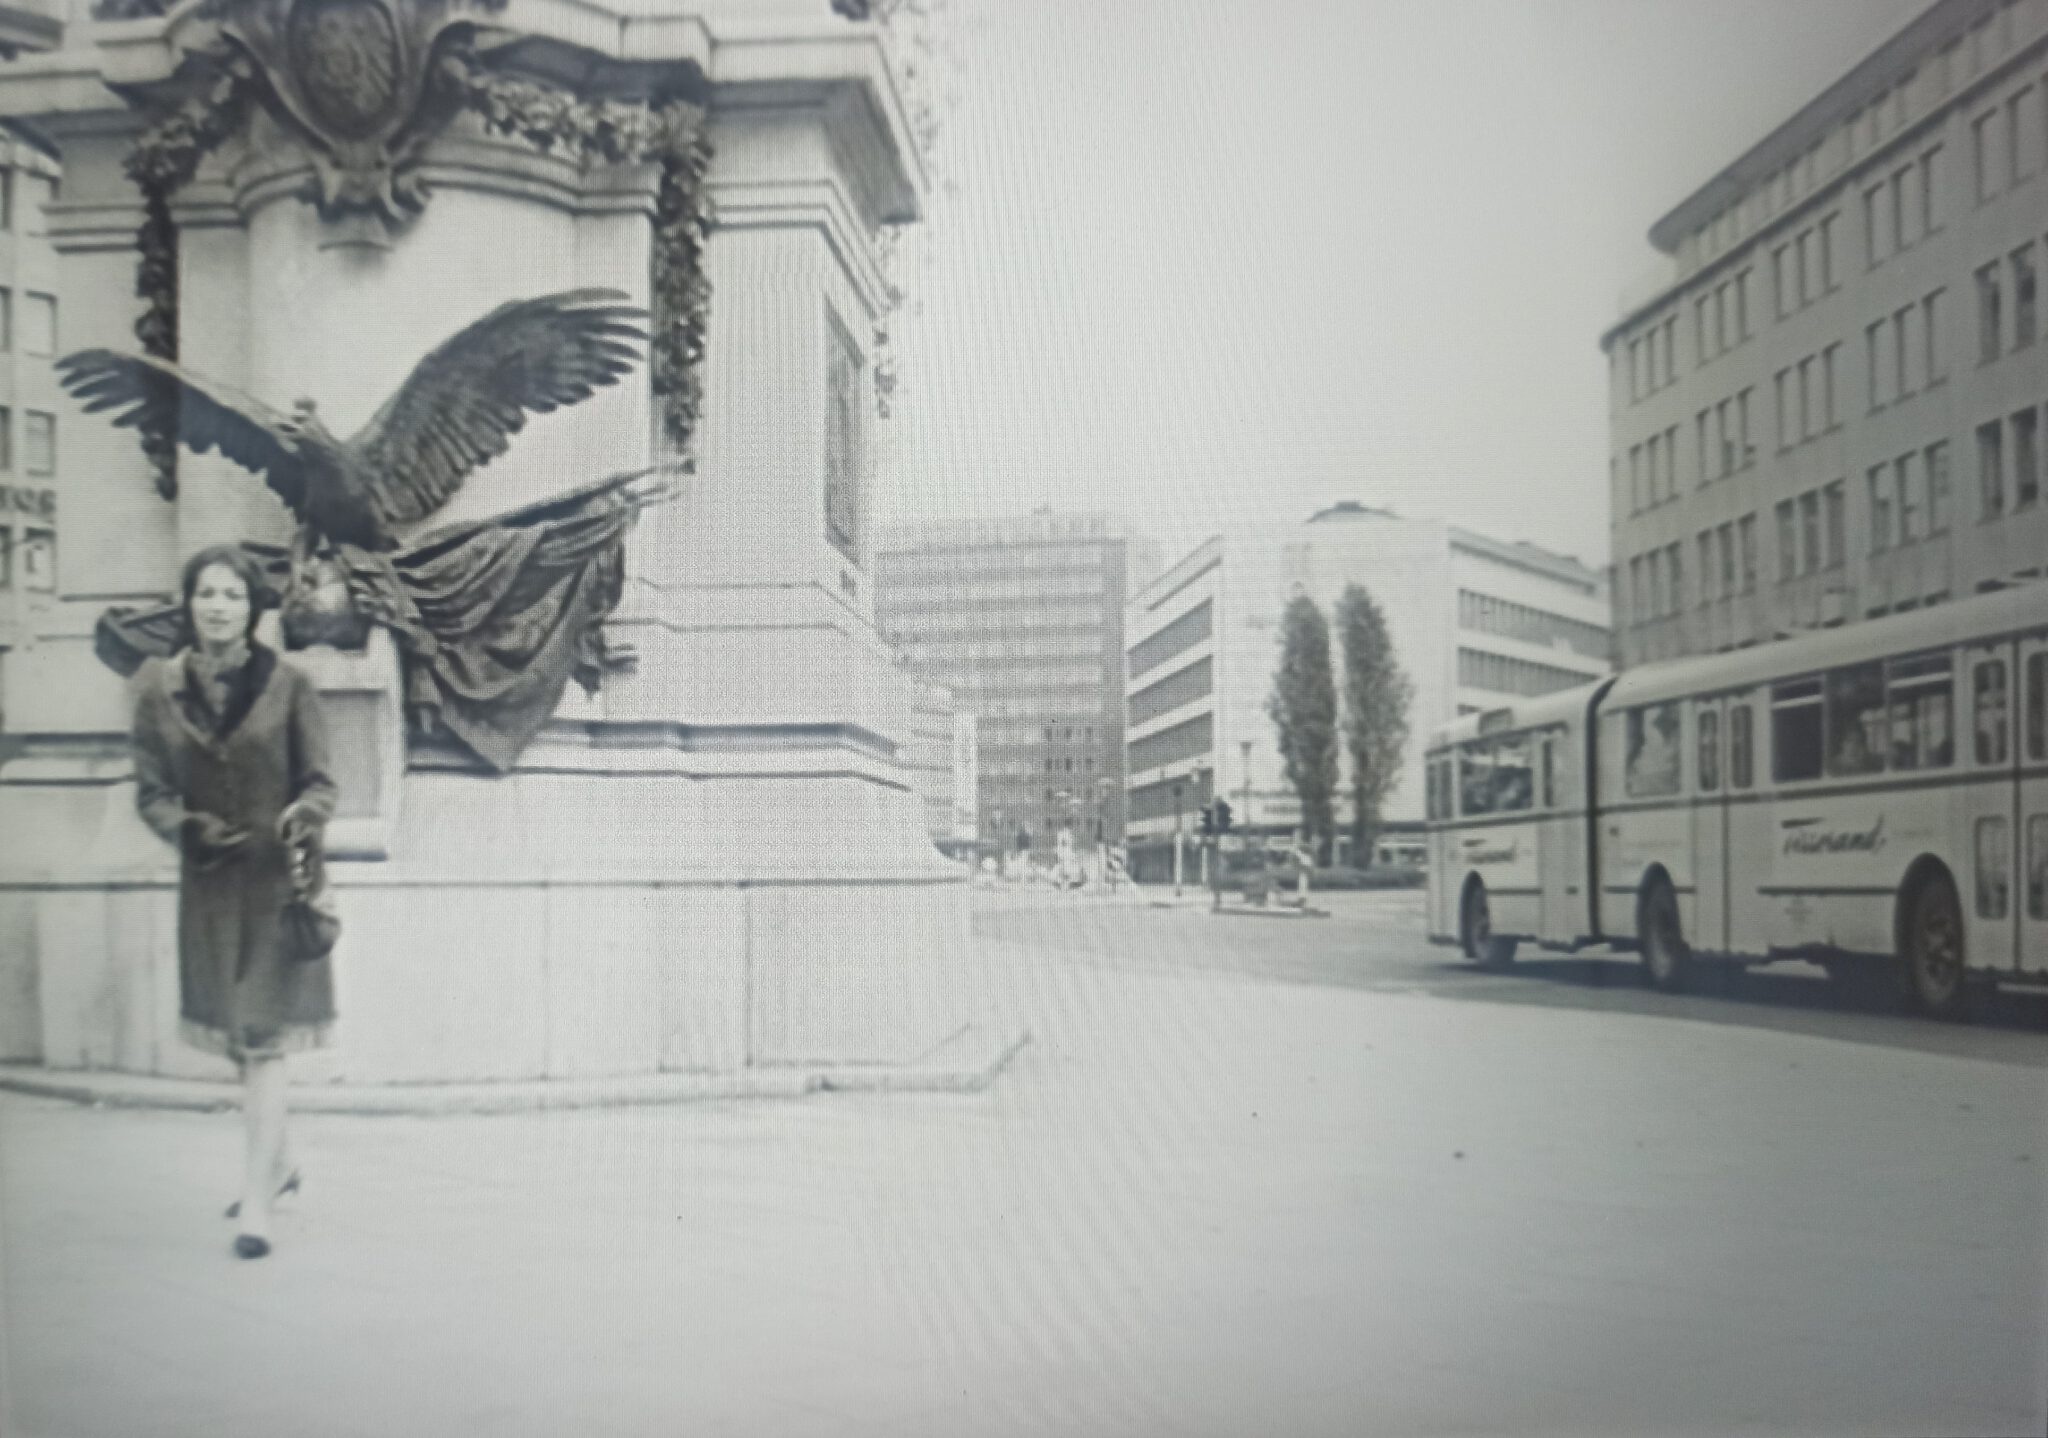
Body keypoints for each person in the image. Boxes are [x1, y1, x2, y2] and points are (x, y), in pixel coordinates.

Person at [130, 545, 338, 1261]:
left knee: (264, 1040)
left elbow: (320, 782)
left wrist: (303, 817)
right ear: (189, 604)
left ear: (253, 609)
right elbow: (152, 793)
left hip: (278, 888)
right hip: (211, 890)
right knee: (242, 1041)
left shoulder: (290, 685)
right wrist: (188, 830)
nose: (217, 607)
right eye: (206, 594)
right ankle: (279, 1164)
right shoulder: (158, 691)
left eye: (232, 595)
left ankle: (255, 1202)